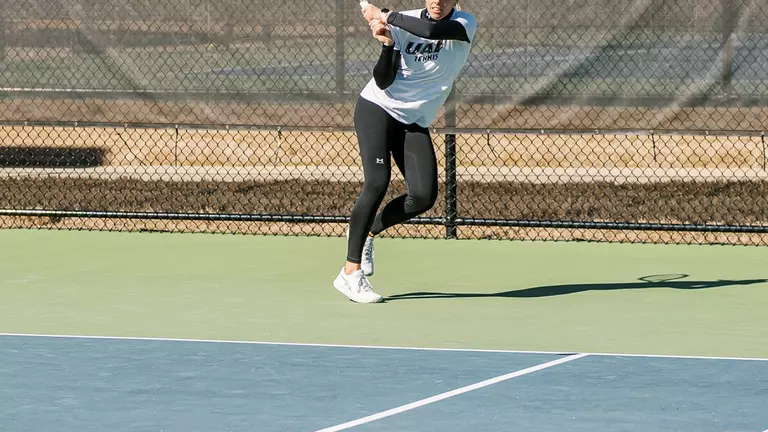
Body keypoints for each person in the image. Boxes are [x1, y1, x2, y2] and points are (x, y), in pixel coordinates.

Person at [332, 0, 478, 303]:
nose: (437, 1)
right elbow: (384, 81)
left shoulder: (464, 24)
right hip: (378, 107)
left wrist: (385, 15)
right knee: (377, 181)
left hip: (413, 121)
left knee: (423, 197)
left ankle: (369, 233)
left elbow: (430, 30)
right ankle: (350, 273)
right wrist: (387, 45)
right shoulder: (402, 22)